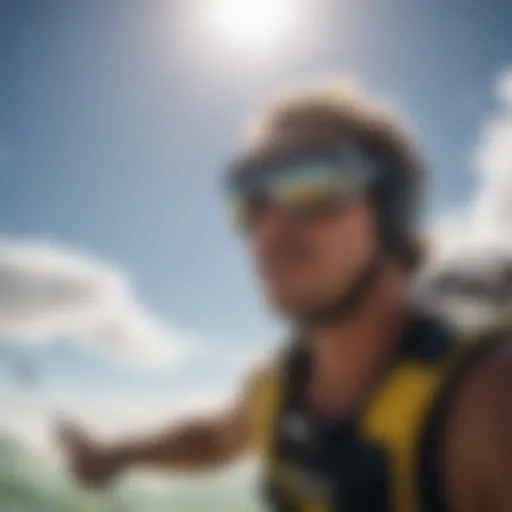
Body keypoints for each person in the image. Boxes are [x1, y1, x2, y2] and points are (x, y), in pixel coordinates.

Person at [59, 81, 512, 512]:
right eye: (250, 198)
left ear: (392, 210)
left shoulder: (486, 408)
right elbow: (213, 440)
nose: (268, 228)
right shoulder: (278, 386)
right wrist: (114, 455)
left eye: (310, 180)